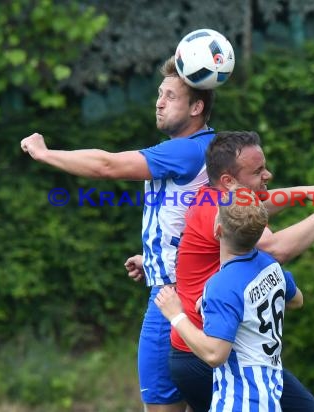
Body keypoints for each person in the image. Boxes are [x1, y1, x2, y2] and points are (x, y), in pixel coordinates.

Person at [21, 56, 216, 412]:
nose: (158, 102)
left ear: (196, 107)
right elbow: (195, 218)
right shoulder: (206, 146)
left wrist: (44, 153)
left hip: (174, 294)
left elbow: (107, 166)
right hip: (191, 283)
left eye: (171, 96)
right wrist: (155, 259)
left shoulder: (186, 150)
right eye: (160, 94)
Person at [165, 130, 314, 411]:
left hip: (235, 351)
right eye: (258, 170)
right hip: (205, 351)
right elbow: (276, 248)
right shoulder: (217, 213)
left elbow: (258, 205)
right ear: (228, 182)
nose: (269, 175)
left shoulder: (225, 203)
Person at [155, 188, 304, 411]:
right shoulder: (270, 266)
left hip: (240, 401)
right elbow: (296, 300)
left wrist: (176, 315)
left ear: (218, 230)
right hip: (269, 394)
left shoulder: (221, 285)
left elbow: (214, 354)